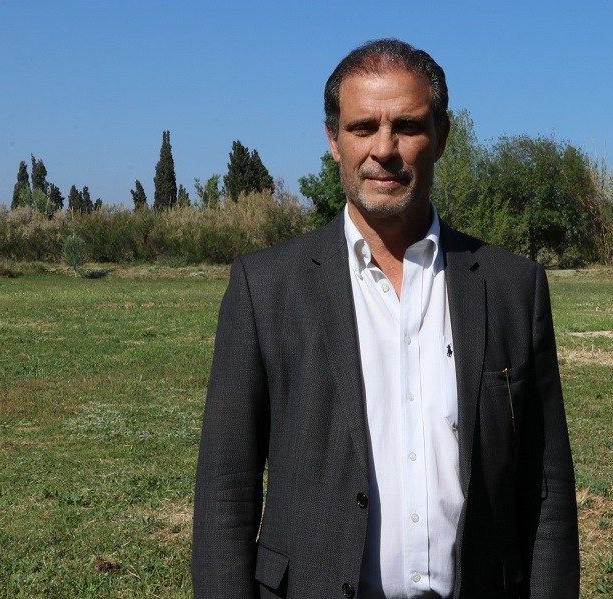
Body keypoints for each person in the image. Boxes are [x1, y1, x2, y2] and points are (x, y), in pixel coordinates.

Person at [192, 38, 579, 599]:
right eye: (362, 127)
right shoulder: (266, 287)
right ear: (333, 140)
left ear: (441, 136)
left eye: (408, 126)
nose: (383, 149)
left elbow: (546, 485)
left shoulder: (512, 287)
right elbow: (226, 490)